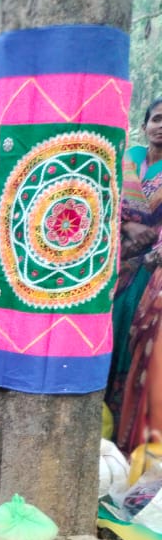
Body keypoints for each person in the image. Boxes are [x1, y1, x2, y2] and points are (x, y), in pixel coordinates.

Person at [107, 98, 162, 432]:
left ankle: (125, 427)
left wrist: (154, 250)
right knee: (107, 331)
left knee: (133, 334)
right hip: (115, 262)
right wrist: (127, 226)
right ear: (144, 126)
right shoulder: (127, 160)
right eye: (157, 119)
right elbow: (105, 200)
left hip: (151, 266)